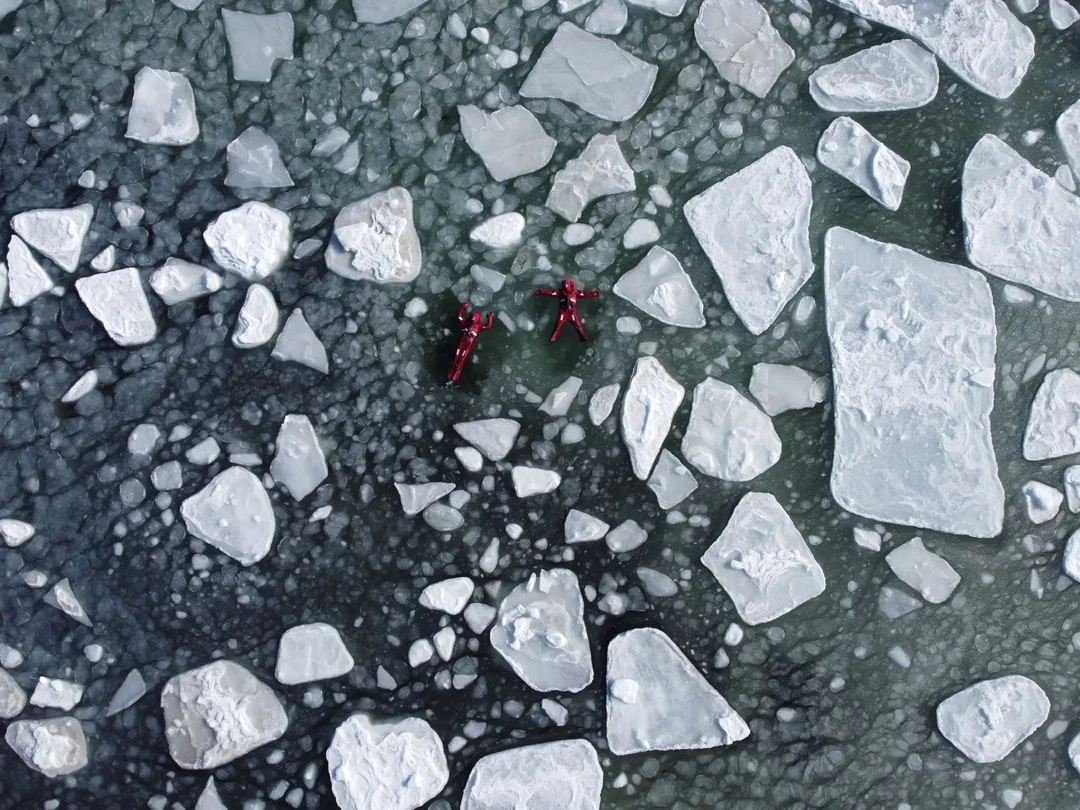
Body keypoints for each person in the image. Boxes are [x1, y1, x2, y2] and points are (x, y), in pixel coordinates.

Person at [536, 279, 600, 342]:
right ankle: (553, 337)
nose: (566, 287)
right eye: (565, 286)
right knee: (558, 325)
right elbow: (551, 293)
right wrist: (541, 292)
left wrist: (594, 294)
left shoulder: (575, 292)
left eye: (567, 286)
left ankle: (583, 337)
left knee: (577, 325)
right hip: (563, 312)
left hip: (572, 312)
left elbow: (584, 294)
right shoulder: (560, 292)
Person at [447, 302, 493, 382]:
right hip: (461, 344)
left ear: (477, 320)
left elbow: (488, 326)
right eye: (472, 318)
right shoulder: (466, 323)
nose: (472, 319)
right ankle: (450, 373)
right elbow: (459, 317)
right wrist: (462, 308)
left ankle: (455, 375)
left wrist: (489, 317)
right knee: (456, 357)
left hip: (467, 346)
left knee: (461, 359)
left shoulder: (478, 327)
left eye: (474, 319)